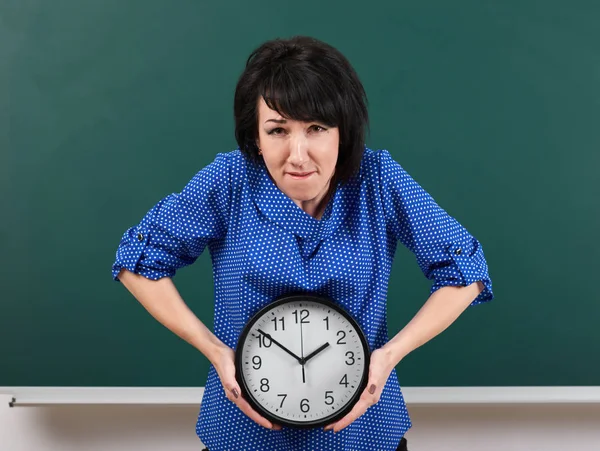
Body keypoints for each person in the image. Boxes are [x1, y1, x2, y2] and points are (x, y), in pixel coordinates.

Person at [111, 35, 494, 451]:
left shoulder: (378, 179)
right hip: (242, 432)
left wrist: (388, 356)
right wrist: (215, 350)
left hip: (363, 433)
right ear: (256, 137)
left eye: (316, 128)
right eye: (277, 130)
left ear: (342, 132)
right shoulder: (230, 180)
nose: (298, 154)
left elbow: (465, 272)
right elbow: (137, 261)